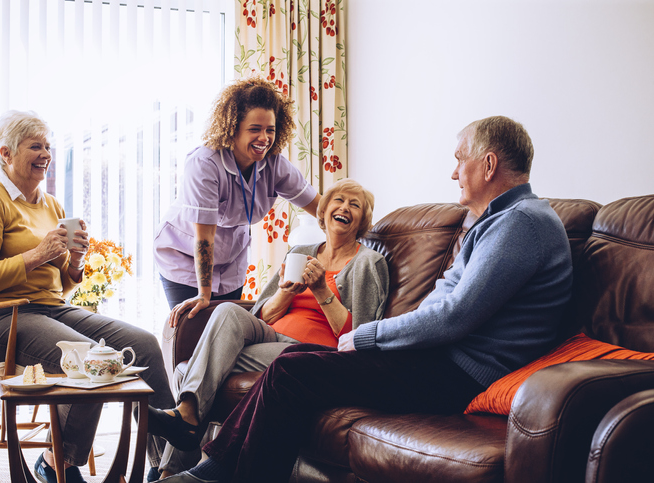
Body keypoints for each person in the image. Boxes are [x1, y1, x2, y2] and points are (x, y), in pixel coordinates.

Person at [156, 116, 575, 483]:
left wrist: (370, 335)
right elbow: (444, 310)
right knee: (287, 365)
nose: (453, 174)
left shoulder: (522, 223)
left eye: (459, 160)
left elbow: (453, 316)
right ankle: (212, 469)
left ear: (488, 164)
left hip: (457, 373)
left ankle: (215, 472)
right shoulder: (497, 221)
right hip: (438, 359)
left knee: (293, 371)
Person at [0, 110, 174, 483]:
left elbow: (60, 286)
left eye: (48, 146)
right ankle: (58, 464)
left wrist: (74, 262)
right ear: (6, 153)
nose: (46, 154)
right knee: (89, 359)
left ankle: (169, 468)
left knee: (145, 345)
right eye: (35, 146)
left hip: (48, 308)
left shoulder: (50, 204)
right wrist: (37, 253)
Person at [151, 179, 389, 479]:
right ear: (324, 210)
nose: (344, 208)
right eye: (338, 200)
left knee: (193, 370)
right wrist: (287, 291)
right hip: (270, 336)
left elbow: (360, 336)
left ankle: (169, 468)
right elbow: (261, 314)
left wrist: (320, 290)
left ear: (362, 220)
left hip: (310, 352)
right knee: (227, 311)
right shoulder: (301, 251)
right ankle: (183, 430)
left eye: (355, 205)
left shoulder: (368, 262)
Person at [153, 75, 321, 330]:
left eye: (270, 130)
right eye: (254, 129)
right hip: (185, 257)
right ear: (233, 128)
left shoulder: (274, 164)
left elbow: (321, 208)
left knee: (225, 337)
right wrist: (204, 294)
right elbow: (204, 238)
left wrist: (364, 234)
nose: (264, 138)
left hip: (231, 261)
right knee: (193, 334)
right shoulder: (205, 163)